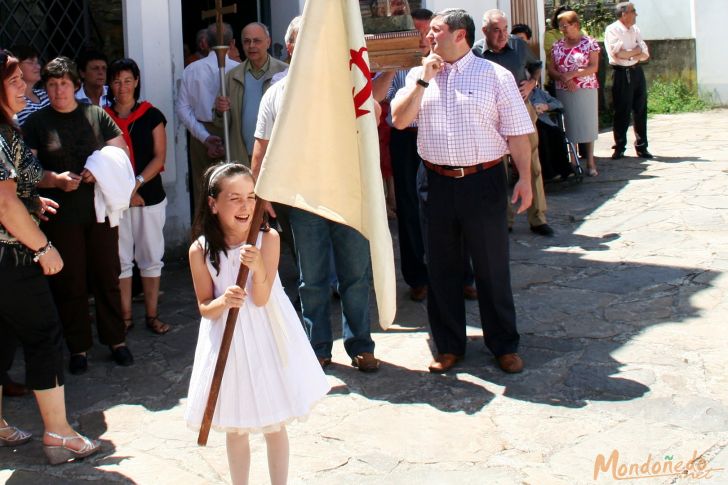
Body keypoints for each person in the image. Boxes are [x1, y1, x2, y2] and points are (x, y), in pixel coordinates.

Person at [392, 8, 533, 374]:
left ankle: (503, 344)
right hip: (435, 183)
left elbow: (517, 132)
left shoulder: (495, 76)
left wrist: (525, 179)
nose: (428, 38)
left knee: (491, 268)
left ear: (460, 35)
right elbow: (399, 119)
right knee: (441, 269)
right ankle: (449, 346)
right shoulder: (417, 74)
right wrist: (423, 81)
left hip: (483, 181)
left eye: (436, 31)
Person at [185, 162, 330, 485]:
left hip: (265, 334)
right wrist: (224, 301)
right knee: (236, 423)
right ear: (213, 203)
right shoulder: (200, 250)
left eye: (251, 197)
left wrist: (258, 268)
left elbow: (262, 298)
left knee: (273, 422)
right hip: (229, 339)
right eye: (234, 198)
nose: (245, 206)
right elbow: (205, 306)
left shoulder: (269, 239)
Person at [251, 17, 381, 372]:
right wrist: (259, 197)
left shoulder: (347, 86)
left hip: (348, 194)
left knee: (356, 275)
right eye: (305, 40)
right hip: (304, 199)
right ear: (291, 48)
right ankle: (318, 346)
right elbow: (261, 149)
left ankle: (360, 345)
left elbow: (372, 121)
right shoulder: (276, 94)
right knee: (312, 280)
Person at [0, 49, 100, 464]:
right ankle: (58, 435)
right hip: (12, 258)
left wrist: (37, 194)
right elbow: (3, 205)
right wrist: (43, 246)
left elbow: (16, 184)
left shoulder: (7, 130)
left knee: (0, 339)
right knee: (44, 337)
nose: (26, 85)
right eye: (15, 81)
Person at [22, 56, 134, 374]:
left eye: (65, 84)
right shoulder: (37, 123)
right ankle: (78, 347)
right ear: (47, 88)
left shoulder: (95, 115)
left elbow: (120, 152)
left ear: (75, 85)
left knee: (106, 275)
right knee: (70, 282)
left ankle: (116, 341)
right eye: (53, 85)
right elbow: (27, 171)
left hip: (98, 212)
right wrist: (54, 180)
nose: (59, 90)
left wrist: (98, 171)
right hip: (60, 215)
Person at [105, 58, 170, 335]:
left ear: (137, 81)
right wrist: (124, 192)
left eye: (128, 80)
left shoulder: (151, 115)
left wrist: (136, 185)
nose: (122, 87)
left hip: (149, 196)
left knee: (150, 255)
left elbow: (159, 157)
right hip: (116, 200)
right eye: (117, 81)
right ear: (110, 83)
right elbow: (101, 158)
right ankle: (126, 317)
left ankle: (152, 315)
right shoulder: (102, 116)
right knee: (120, 259)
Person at [473, 9, 553, 237]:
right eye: (496, 30)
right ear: (485, 31)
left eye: (505, 29)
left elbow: (536, 65)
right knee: (498, 169)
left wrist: (532, 83)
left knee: (531, 164)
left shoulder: (518, 45)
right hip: (493, 114)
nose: (502, 35)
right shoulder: (476, 53)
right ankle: (503, 218)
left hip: (521, 109)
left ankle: (538, 217)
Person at [176, 23, 239, 203]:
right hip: (226, 133)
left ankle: (204, 230)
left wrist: (204, 137)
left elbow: (182, 108)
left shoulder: (191, 69)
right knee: (232, 187)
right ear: (232, 42)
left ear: (206, 42)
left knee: (204, 189)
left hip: (203, 133)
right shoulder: (239, 70)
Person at [214, 22, 288, 166]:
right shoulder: (231, 77)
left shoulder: (285, 73)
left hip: (275, 159)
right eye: (247, 41)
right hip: (241, 157)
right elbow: (220, 124)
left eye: (257, 41)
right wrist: (219, 111)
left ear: (268, 42)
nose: (252, 46)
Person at [548, 10, 601, 177]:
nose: (563, 29)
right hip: (564, 89)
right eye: (561, 26)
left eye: (565, 26)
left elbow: (593, 67)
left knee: (587, 123)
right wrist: (564, 78)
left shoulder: (589, 43)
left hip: (585, 87)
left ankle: (590, 161)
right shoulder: (557, 46)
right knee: (570, 123)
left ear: (576, 25)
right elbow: (551, 68)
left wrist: (574, 74)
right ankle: (573, 161)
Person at [604, 2, 651, 160]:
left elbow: (645, 54)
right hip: (621, 73)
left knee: (640, 109)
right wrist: (635, 52)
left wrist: (631, 54)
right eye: (633, 11)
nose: (636, 14)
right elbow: (618, 54)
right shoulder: (613, 29)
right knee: (622, 111)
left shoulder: (635, 29)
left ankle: (642, 147)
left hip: (636, 71)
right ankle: (619, 147)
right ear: (624, 14)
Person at [11, 45, 49, 126]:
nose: (38, 67)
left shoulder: (46, 94)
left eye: (37, 62)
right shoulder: (12, 101)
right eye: (31, 62)